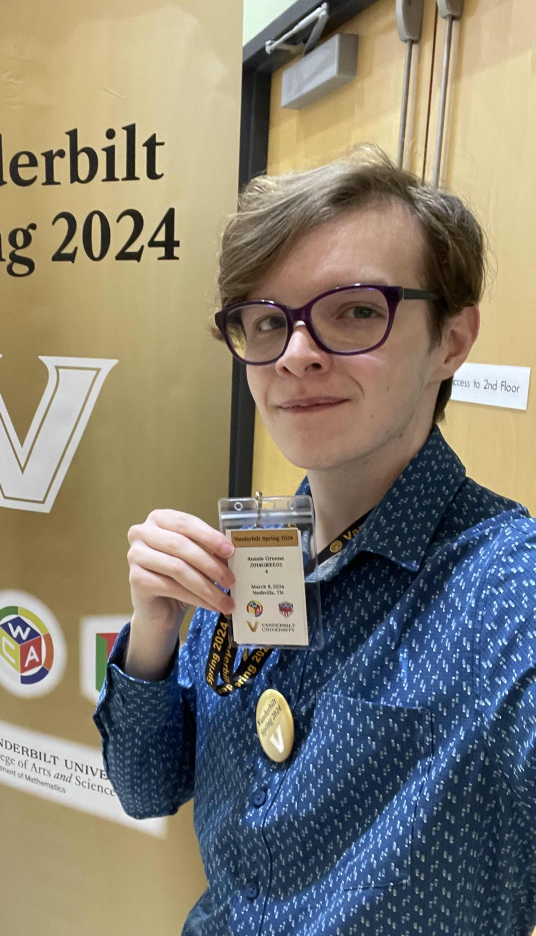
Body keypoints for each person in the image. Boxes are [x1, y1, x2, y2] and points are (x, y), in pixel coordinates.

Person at [93, 146, 536, 935]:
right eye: (267, 321)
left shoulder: (509, 599)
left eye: (357, 310)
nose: (296, 353)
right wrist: (154, 640)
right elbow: (146, 788)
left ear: (452, 341)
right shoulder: (257, 557)